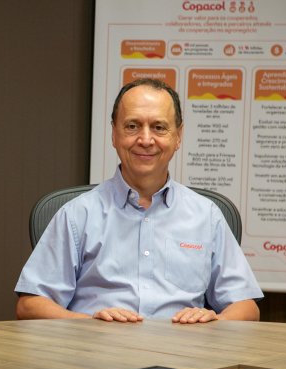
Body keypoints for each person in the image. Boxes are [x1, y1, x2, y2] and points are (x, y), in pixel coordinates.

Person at [15, 78, 263, 324]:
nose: (145, 140)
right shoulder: (77, 215)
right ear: (114, 134)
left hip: (184, 348)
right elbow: (30, 305)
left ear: (178, 136)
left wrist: (215, 319)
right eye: (132, 126)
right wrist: (89, 321)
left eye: (159, 127)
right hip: (97, 347)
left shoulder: (206, 216)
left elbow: (246, 307)